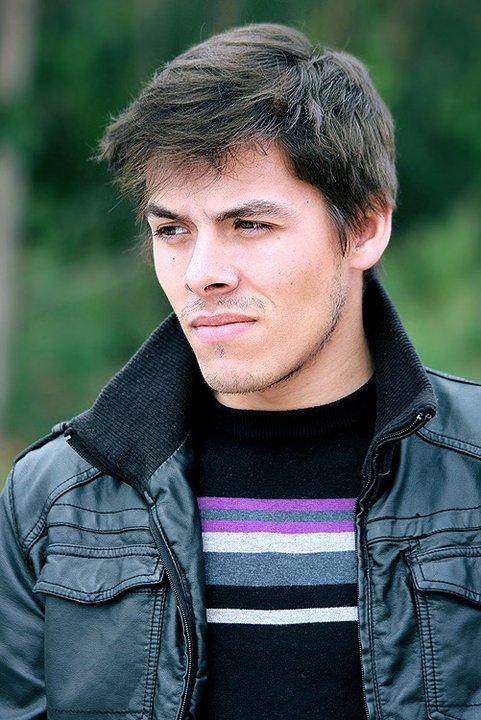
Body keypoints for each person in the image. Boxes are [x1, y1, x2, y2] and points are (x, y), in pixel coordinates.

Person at [1, 22, 480, 720]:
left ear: (365, 227)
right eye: (172, 230)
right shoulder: (54, 500)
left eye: (250, 225)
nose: (201, 273)